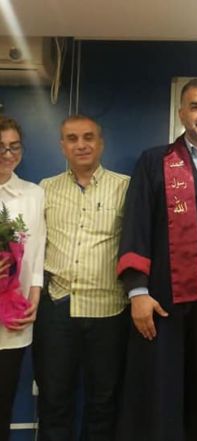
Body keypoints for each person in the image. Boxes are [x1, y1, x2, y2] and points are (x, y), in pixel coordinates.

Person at [116, 78, 197, 441]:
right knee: (164, 387)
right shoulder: (155, 162)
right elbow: (136, 225)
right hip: (165, 293)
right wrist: (137, 291)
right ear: (181, 114)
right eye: (196, 106)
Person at [34, 115, 130, 441]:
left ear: (100, 143)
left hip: (109, 311)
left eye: (88, 137)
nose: (81, 145)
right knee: (53, 399)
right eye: (72, 139)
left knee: (103, 402)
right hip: (57, 310)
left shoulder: (125, 187)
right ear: (62, 146)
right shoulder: (45, 189)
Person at [0, 117, 45, 441]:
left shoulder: (33, 194)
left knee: (3, 403)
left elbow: (38, 251)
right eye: (0, 147)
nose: (7, 154)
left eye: (14, 147)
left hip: (14, 318)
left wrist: (35, 298)